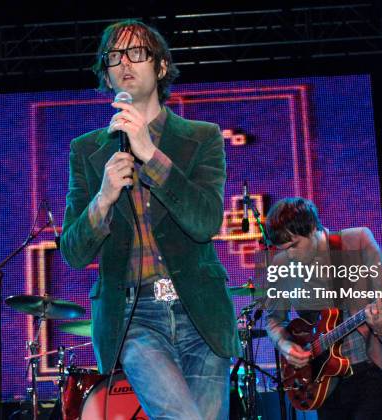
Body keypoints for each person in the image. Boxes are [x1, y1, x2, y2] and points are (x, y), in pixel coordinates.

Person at [59, 20, 241, 419]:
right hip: (134, 314)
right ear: (106, 74)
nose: (125, 62)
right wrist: (103, 199)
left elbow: (205, 221)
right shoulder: (86, 150)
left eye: (137, 52)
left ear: (160, 67)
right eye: (115, 56)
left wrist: (151, 156)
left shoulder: (202, 137)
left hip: (200, 311)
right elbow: (71, 252)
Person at [264, 197, 382, 419]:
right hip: (325, 380)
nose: (290, 256)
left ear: (314, 228)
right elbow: (274, 319)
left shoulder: (358, 240)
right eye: (283, 249)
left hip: (373, 366)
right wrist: (285, 345)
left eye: (294, 245)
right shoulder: (281, 264)